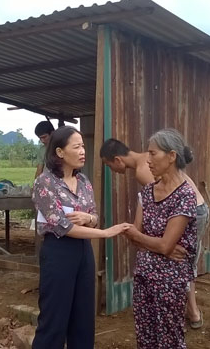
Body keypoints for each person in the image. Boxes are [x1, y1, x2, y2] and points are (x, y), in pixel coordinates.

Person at [31, 126, 131, 349]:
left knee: (84, 319)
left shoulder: (84, 181)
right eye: (76, 147)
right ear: (59, 152)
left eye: (83, 146)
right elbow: (63, 226)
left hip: (84, 253)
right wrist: (104, 232)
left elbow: (94, 215)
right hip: (58, 252)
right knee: (54, 319)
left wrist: (89, 218)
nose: (83, 151)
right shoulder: (44, 184)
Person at [101, 137, 208, 328]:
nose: (112, 171)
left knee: (180, 261)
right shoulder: (146, 160)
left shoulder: (144, 171)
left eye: (109, 166)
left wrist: (161, 245)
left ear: (117, 160)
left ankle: (191, 312)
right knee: (180, 260)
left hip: (191, 212)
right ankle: (192, 312)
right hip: (198, 208)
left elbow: (161, 209)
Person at [121, 129, 198, 349]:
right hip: (144, 275)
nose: (148, 159)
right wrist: (157, 245)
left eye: (153, 153)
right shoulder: (147, 191)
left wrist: (150, 242)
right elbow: (138, 238)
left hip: (169, 282)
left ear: (171, 156)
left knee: (169, 337)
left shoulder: (185, 195)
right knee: (145, 335)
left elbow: (158, 242)